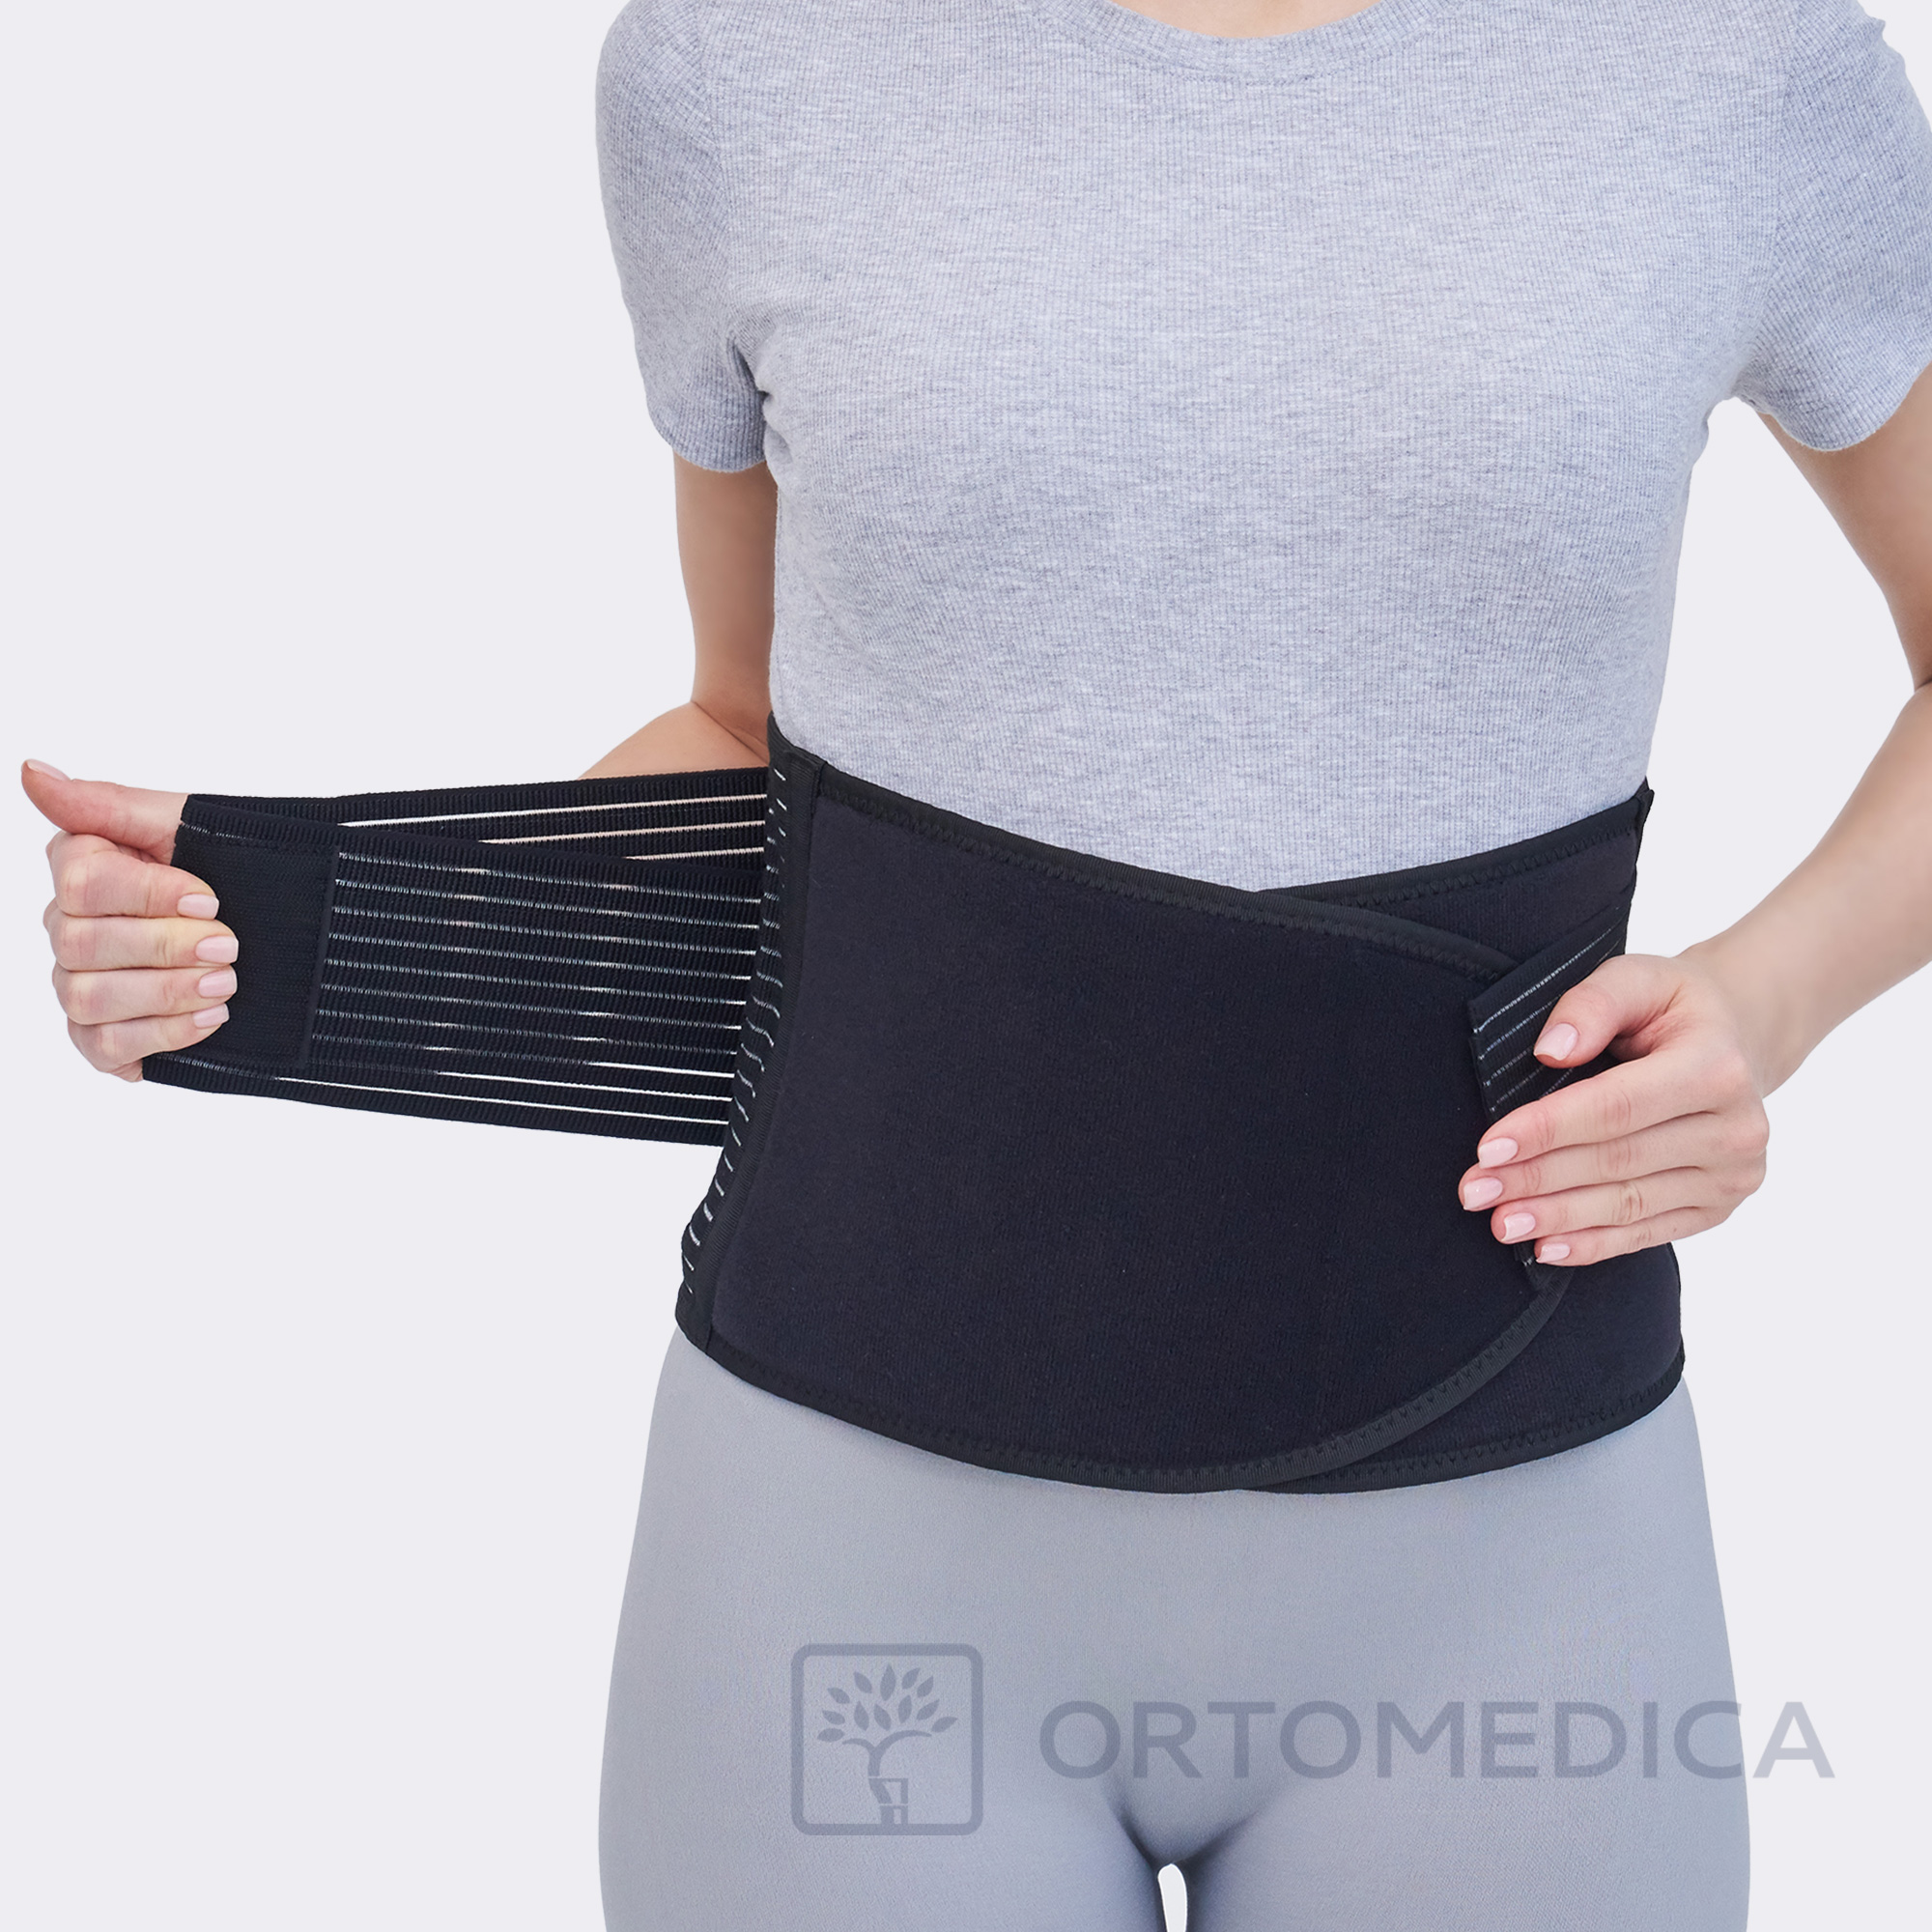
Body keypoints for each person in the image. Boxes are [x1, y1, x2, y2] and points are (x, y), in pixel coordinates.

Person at [24, 0, 1932, 1923]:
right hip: (850, 1525)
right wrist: (286, 948)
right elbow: (749, 732)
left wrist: (1764, 1003)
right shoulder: (745, 58)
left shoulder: (1733, 61)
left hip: (1504, 1546)